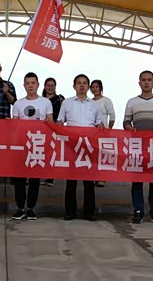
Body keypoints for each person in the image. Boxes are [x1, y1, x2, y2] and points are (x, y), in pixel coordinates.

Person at [123, 70, 153, 225]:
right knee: (137, 181)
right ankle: (138, 211)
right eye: (143, 80)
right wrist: (131, 129)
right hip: (137, 146)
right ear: (139, 83)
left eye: (149, 80)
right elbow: (126, 122)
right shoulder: (131, 102)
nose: (146, 82)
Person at [56, 74, 104, 221]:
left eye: (84, 83)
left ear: (88, 87)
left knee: (89, 181)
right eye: (79, 83)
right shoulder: (67, 103)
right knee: (71, 180)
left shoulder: (95, 105)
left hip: (89, 145)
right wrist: (56, 125)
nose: (82, 85)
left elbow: (99, 124)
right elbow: (60, 121)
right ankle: (70, 212)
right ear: (74, 86)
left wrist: (101, 127)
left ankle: (89, 212)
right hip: (72, 145)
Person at [11, 72, 53, 220]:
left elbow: (50, 122)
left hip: (38, 144)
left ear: (38, 84)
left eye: (33, 83)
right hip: (22, 144)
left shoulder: (45, 102)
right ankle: (20, 207)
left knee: (35, 179)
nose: (30, 86)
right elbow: (15, 125)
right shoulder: (18, 103)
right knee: (20, 179)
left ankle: (30, 208)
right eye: (27, 83)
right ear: (24, 85)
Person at [90, 79, 116, 188]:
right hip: (92, 131)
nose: (95, 89)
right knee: (93, 155)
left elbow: (112, 116)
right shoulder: (89, 101)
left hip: (103, 130)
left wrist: (108, 128)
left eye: (97, 87)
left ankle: (102, 178)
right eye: (93, 87)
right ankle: (94, 177)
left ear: (100, 88)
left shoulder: (106, 100)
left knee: (102, 155)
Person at [40, 77, 64, 188]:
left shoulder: (60, 99)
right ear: (44, 86)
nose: (50, 87)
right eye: (48, 85)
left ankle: (50, 177)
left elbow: (64, 113)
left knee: (51, 153)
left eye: (52, 85)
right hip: (41, 130)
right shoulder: (40, 99)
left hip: (55, 129)